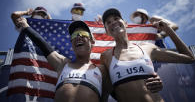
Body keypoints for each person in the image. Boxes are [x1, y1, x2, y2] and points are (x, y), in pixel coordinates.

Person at [12, 16, 164, 102]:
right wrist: (26, 27)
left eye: (83, 34)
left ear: (92, 42)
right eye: (74, 35)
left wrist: (151, 84)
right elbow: (43, 44)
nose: (78, 36)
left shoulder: (103, 70)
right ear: (71, 44)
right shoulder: (62, 64)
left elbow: (125, 88)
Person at [101, 8, 195, 102]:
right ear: (107, 32)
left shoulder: (147, 48)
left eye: (116, 18)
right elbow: (107, 90)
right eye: (108, 22)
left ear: (125, 23)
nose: (113, 22)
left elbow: (189, 58)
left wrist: (168, 29)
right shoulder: (106, 56)